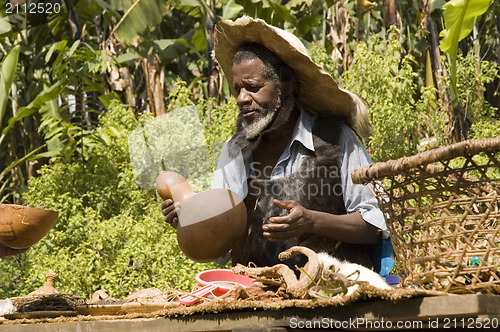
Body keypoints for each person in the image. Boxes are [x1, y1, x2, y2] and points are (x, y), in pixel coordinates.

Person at [162, 17, 389, 271]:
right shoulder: (235, 150)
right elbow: (223, 246)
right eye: (237, 89)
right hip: (259, 298)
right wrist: (192, 220)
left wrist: (312, 221)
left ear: (287, 85)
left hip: (332, 292)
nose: (241, 98)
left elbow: (376, 225)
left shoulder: (336, 139)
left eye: (253, 87)